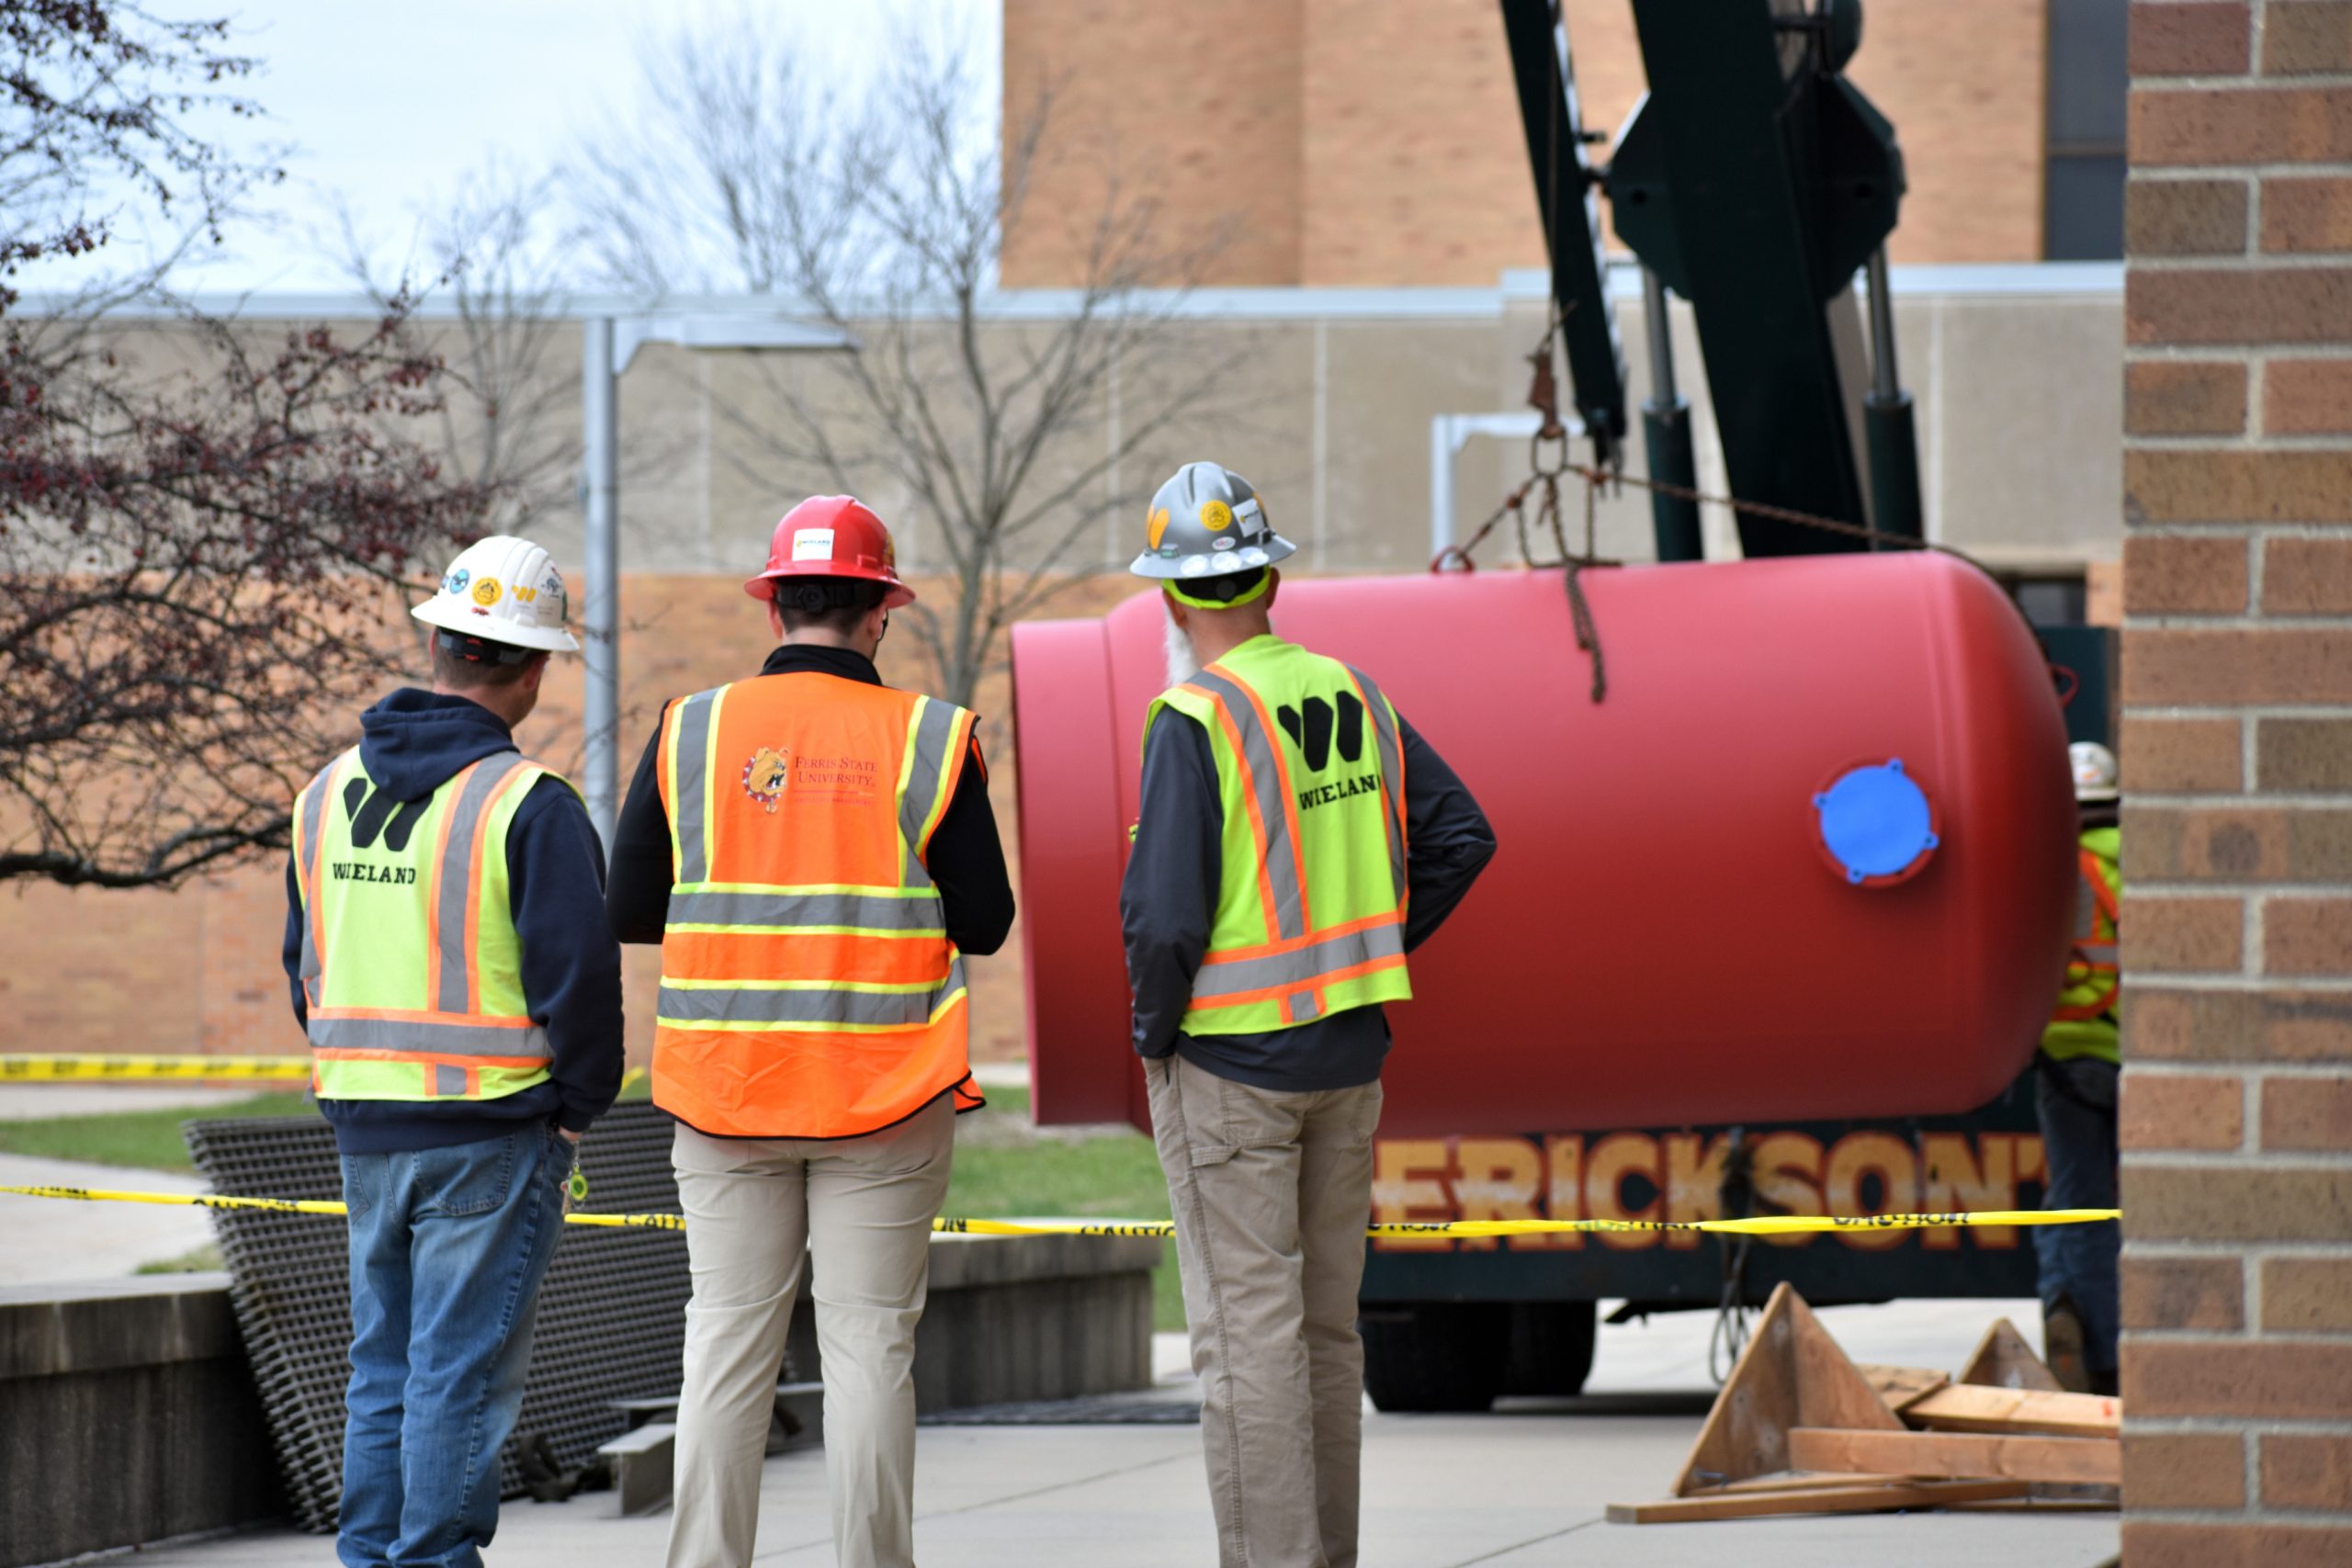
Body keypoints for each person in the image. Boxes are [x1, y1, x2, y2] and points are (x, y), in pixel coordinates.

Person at [605, 495, 1014, 1568]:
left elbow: (624, 907)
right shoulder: (932, 738)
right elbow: (987, 921)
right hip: (884, 1096)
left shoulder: (689, 730)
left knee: (726, 1342)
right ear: (879, 611)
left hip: (724, 1091)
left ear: (775, 602)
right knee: (871, 1347)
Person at [1120, 462, 1496, 1568]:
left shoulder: (1193, 714)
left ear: (1175, 600)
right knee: (1326, 1336)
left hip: (1231, 1068)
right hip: (1348, 1058)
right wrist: (1368, 948)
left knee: (1249, 1347)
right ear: (1268, 584)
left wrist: (1154, 1034)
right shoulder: (1351, 692)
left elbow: (1164, 919)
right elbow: (1461, 836)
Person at [282, 535, 624, 1568]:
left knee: (382, 1365)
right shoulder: (529, 805)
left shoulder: (322, 792)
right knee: (456, 1375)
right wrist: (578, 1104)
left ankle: (372, 1557)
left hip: (364, 1124)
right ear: (531, 669)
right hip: (492, 1129)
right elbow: (581, 983)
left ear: (436, 641)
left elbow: (306, 965)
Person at [2036, 739, 2122, 1398]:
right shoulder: (2144, 860)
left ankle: (2083, 1336)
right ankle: (2125, 1341)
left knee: (2076, 1201)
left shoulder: (2045, 864)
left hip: (2064, 1060)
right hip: (2134, 1056)